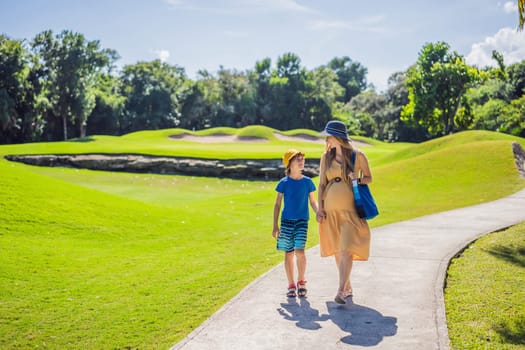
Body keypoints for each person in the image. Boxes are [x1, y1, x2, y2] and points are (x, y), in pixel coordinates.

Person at [315, 120, 372, 304]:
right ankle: (347, 287)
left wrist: (358, 179)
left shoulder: (358, 156)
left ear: (337, 137)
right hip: (330, 212)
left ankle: (340, 291)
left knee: (346, 248)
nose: (326, 139)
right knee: (338, 251)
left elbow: (369, 178)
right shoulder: (326, 157)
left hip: (351, 211)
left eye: (328, 136)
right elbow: (322, 184)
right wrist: (320, 209)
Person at [273, 149, 318, 298]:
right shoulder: (283, 183)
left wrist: (318, 211)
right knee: (288, 253)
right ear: (289, 164)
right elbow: (277, 204)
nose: (301, 162)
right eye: (297, 159)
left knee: (300, 251)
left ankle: (301, 281)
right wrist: (275, 225)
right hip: (286, 222)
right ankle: (291, 284)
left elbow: (313, 201)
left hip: (301, 221)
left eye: (302, 159)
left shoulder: (308, 182)